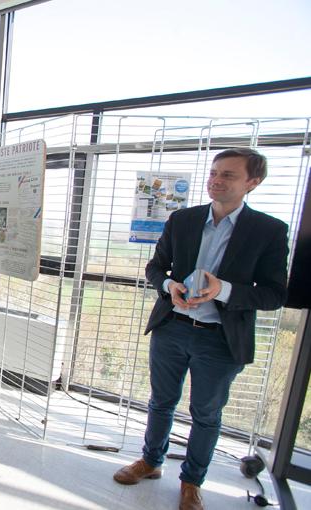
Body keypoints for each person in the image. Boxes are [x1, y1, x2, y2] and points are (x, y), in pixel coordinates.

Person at [113, 148, 289, 510]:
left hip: (220, 339)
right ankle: (151, 461)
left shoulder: (268, 231)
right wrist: (168, 286)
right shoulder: (183, 220)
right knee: (161, 401)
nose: (216, 180)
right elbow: (155, 269)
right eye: (214, 172)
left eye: (228, 175)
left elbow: (274, 294)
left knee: (206, 413)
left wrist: (222, 289)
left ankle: (192, 481)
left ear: (252, 183)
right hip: (172, 327)